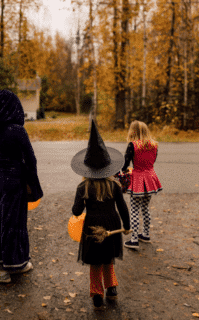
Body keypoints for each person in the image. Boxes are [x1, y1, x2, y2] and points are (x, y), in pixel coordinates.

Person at [0, 89, 43, 283]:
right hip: (14, 181)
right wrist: (33, 186)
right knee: (14, 222)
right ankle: (16, 263)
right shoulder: (18, 131)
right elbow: (30, 159)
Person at [71, 120, 131, 310]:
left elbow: (76, 211)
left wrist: (78, 206)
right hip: (112, 224)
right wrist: (127, 225)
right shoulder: (114, 185)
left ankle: (97, 294)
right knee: (108, 257)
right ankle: (111, 289)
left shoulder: (83, 187)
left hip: (92, 227)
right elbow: (122, 208)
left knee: (95, 260)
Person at [121, 120, 162, 250]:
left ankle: (134, 240)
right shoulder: (154, 144)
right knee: (145, 208)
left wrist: (123, 171)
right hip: (150, 178)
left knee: (134, 209)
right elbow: (153, 161)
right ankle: (145, 234)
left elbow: (125, 165)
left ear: (132, 131)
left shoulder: (133, 145)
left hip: (138, 180)